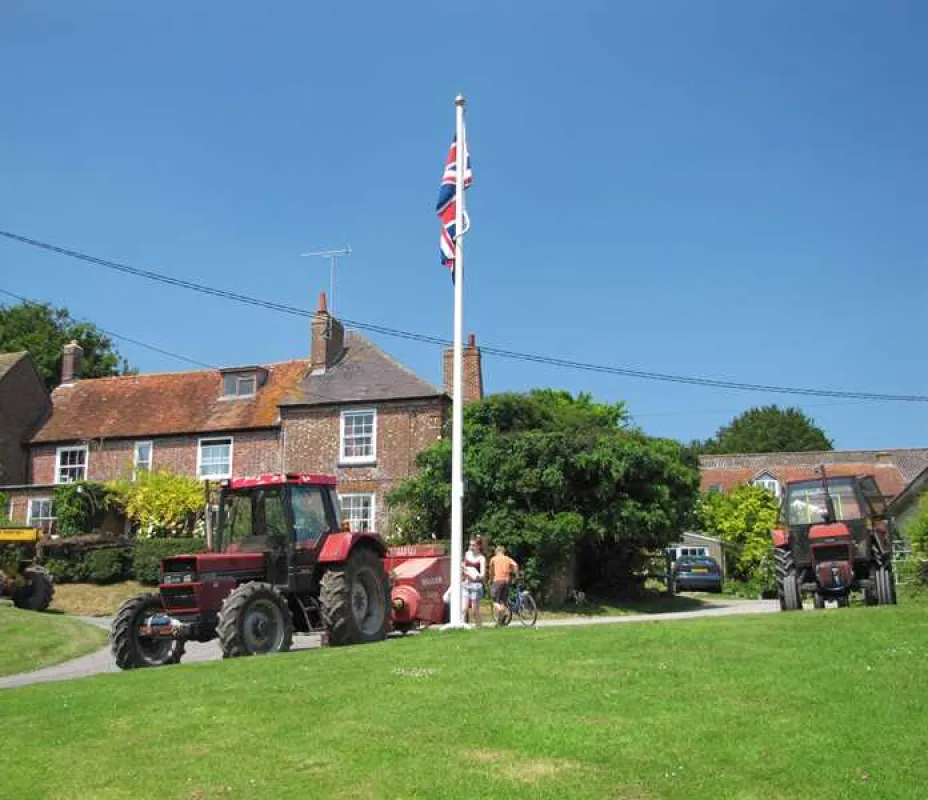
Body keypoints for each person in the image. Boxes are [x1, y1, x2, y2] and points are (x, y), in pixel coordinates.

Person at [489, 545, 519, 624]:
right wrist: (516, 576)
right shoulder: (508, 559)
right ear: (503, 551)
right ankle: (501, 621)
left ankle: (504, 612)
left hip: (497, 581)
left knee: (494, 601)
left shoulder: (494, 559)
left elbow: (491, 571)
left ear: (497, 551)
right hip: (506, 581)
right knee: (503, 601)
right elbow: (515, 565)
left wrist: (490, 579)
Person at [462, 537, 486, 627]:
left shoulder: (481, 558)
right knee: (464, 608)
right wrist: (464, 571)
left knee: (475, 610)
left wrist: (474, 576)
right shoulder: (467, 554)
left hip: (476, 586)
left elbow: (482, 575)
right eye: (470, 545)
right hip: (465, 584)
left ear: (478, 546)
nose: (471, 547)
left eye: (473, 545)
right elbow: (463, 566)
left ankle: (479, 626)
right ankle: (462, 626)